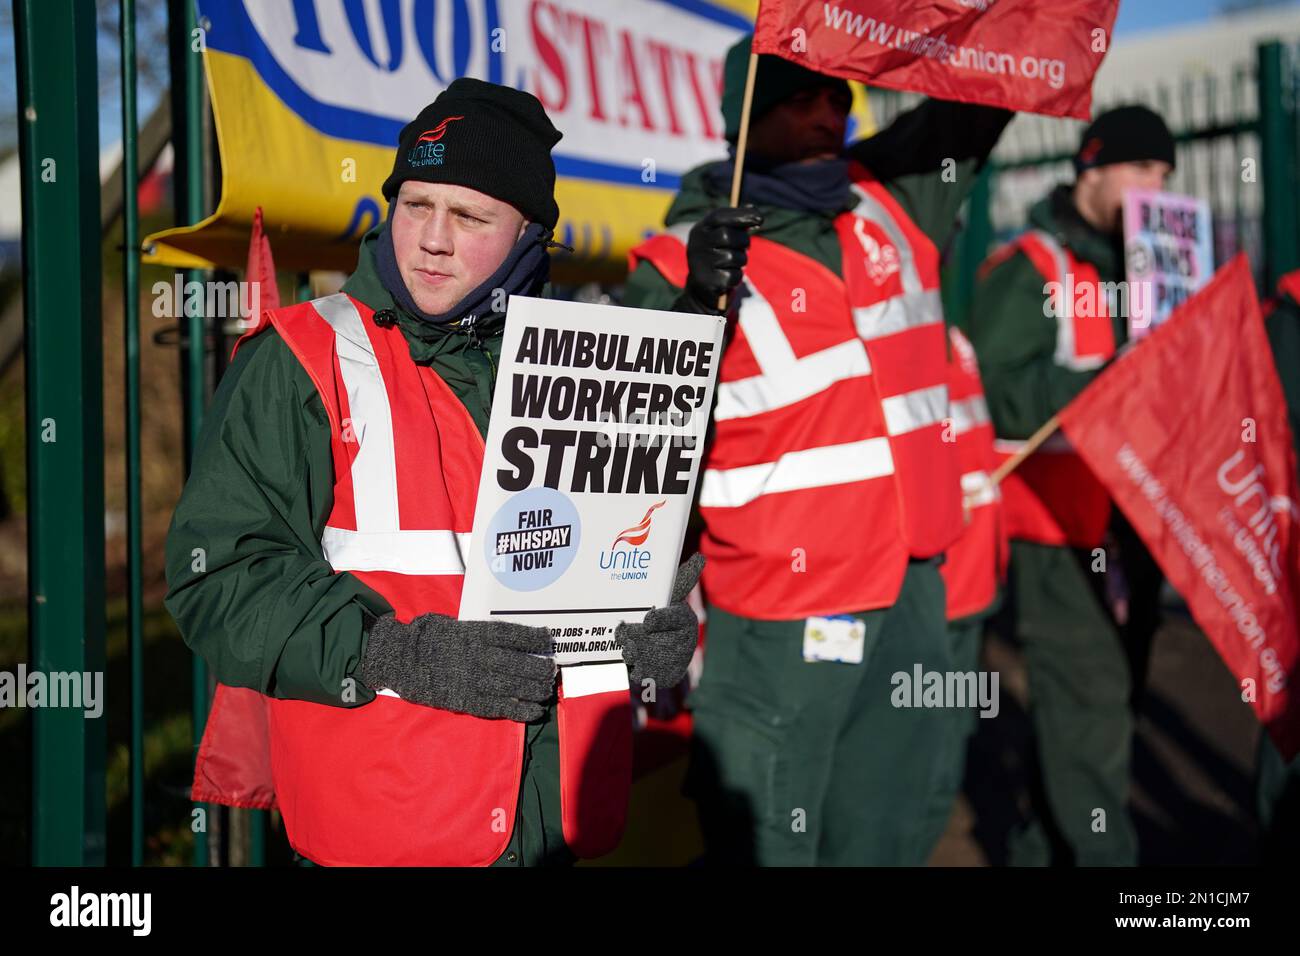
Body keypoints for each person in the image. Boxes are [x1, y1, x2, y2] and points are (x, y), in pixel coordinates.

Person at [164, 78, 701, 867]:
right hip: (385, 828)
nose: (432, 240)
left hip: (558, 822)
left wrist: (650, 632)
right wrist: (389, 653)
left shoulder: (596, 370)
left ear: (529, 237)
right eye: (415, 205)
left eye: (471, 216)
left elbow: (615, 569)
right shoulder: (304, 359)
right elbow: (219, 577)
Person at [623, 34, 1011, 865]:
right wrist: (695, 303)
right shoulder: (676, 264)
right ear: (744, 118)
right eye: (799, 98)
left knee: (890, 826)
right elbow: (634, 439)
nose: (825, 113)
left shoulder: (897, 198)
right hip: (781, 618)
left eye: (837, 96)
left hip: (913, 591)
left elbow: (994, 79)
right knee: (763, 839)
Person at [967, 104, 1175, 866]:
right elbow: (990, 385)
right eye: (1144, 169)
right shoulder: (1034, 264)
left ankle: (1041, 848)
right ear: (1092, 165)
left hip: (1138, 525)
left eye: (1166, 175)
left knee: (1104, 704)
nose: (1158, 187)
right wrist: (1104, 389)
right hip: (1060, 528)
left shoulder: (1142, 269)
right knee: (1087, 706)